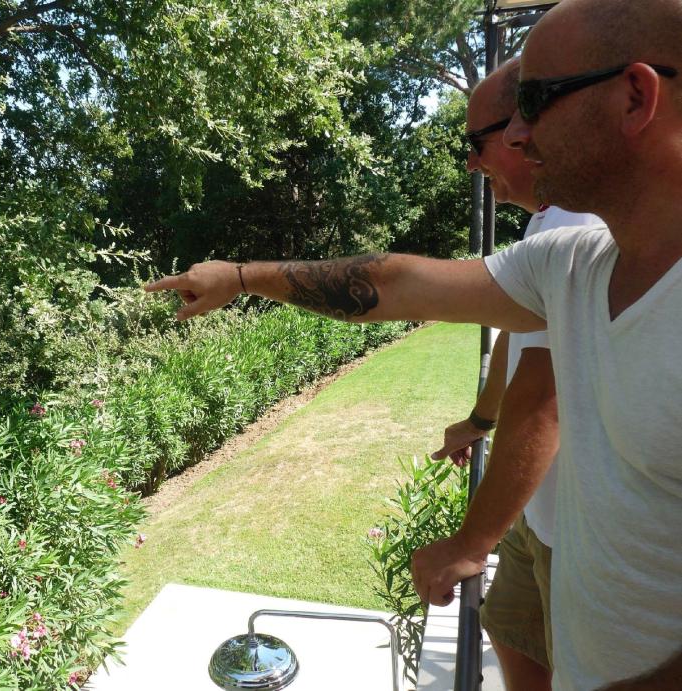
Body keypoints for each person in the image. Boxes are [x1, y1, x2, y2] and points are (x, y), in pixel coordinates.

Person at [144, 0, 682, 686]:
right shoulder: (571, 265)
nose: (516, 135)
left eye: (535, 101)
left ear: (635, 95)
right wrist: (241, 277)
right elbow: (393, 283)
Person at [424, 57, 600, 691]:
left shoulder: (585, 225)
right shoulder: (546, 222)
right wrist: (479, 421)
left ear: (528, 128)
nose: (473, 162)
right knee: (508, 625)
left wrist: (471, 542)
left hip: (583, 533)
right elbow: (517, 343)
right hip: (539, 512)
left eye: (478, 143)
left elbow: (546, 398)